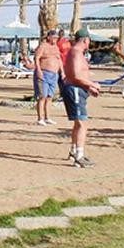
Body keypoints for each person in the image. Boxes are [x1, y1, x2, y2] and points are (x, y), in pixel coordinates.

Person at [63, 28, 101, 167]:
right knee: (82, 124)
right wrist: (92, 84)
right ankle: (79, 156)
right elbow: (76, 75)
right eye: (89, 40)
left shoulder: (77, 53)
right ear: (85, 40)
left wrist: (89, 88)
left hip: (78, 89)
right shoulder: (76, 52)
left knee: (78, 123)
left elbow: (78, 75)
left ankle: (74, 151)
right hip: (74, 90)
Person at [33, 30, 63, 126]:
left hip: (54, 75)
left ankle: (47, 117)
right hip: (44, 73)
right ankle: (40, 118)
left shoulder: (56, 47)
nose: (55, 39)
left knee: (50, 97)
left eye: (56, 38)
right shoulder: (43, 46)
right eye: (54, 37)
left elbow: (59, 60)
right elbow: (37, 58)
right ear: (49, 37)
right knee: (42, 96)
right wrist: (38, 70)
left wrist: (62, 72)